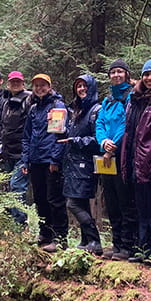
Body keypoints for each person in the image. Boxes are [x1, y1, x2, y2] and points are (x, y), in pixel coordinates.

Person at [121, 59, 151, 266]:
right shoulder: (134, 98)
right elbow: (129, 131)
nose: (149, 78)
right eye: (146, 74)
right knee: (141, 208)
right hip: (135, 159)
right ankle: (144, 248)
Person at [96, 59, 138, 261]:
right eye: (113, 72)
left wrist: (113, 146)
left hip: (122, 156)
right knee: (111, 201)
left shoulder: (130, 97)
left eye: (120, 71)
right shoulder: (108, 100)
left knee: (125, 200)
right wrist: (103, 142)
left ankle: (129, 246)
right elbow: (100, 123)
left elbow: (127, 123)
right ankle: (117, 243)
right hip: (106, 156)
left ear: (127, 75)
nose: (116, 75)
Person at [21, 74, 68, 253]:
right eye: (36, 85)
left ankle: (60, 238)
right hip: (35, 160)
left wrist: (55, 159)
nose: (39, 88)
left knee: (54, 199)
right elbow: (27, 136)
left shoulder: (57, 106)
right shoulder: (33, 109)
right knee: (40, 199)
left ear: (49, 87)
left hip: (50, 160)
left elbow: (60, 135)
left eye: (43, 85)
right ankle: (45, 233)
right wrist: (26, 159)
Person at [59, 74, 103, 255]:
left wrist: (76, 140)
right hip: (73, 163)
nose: (81, 89)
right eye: (78, 86)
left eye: (85, 86)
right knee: (81, 202)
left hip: (86, 163)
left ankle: (94, 240)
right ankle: (86, 240)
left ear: (91, 87)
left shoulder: (96, 110)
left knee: (73, 203)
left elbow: (98, 139)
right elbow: (67, 135)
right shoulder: (75, 110)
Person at [0, 71, 31, 225]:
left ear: (23, 83)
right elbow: (3, 127)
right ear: (8, 84)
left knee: (17, 186)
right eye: (13, 82)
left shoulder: (29, 100)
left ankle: (20, 223)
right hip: (7, 152)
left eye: (18, 82)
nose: (15, 84)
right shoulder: (6, 102)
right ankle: (11, 220)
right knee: (8, 187)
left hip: (22, 153)